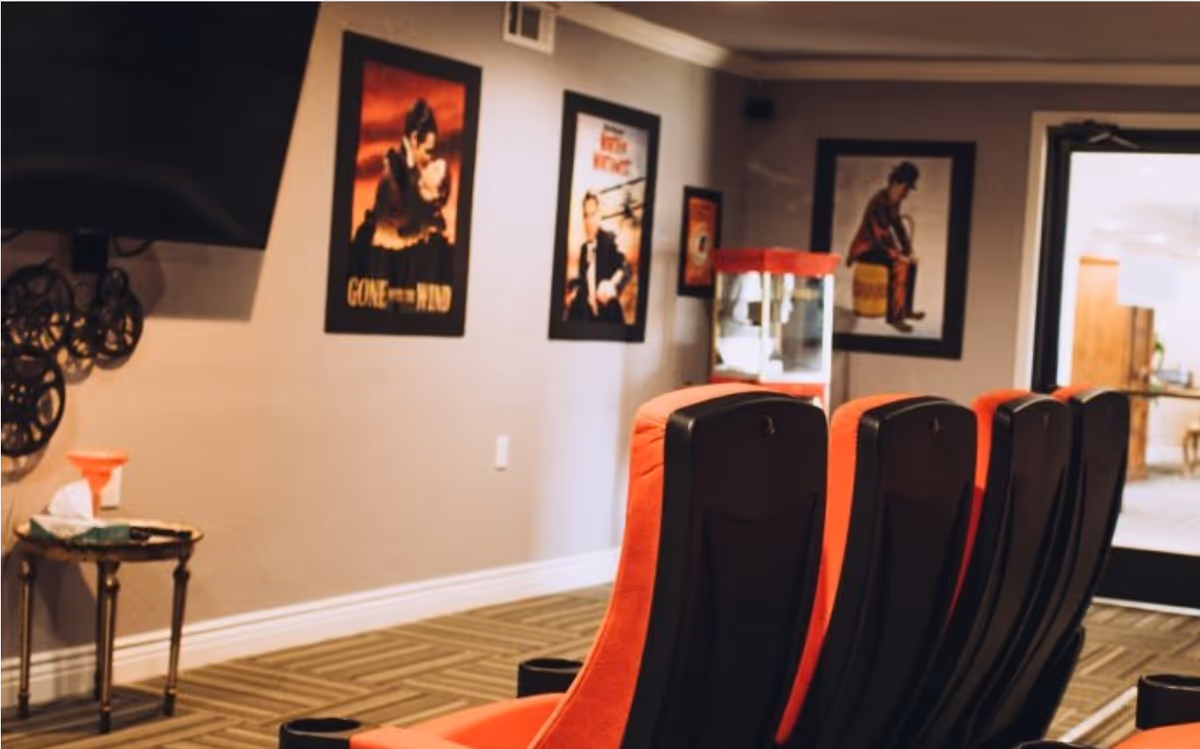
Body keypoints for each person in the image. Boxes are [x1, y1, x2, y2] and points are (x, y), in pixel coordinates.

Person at [352, 98, 455, 287]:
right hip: (380, 265)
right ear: (414, 139)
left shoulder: (413, 174)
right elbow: (400, 229)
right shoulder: (395, 172)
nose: (430, 160)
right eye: (428, 152)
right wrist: (428, 222)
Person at [846, 161, 925, 332]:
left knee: (911, 263)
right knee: (900, 265)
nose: (906, 194)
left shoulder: (892, 201)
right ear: (895, 183)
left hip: (878, 247)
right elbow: (879, 239)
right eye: (905, 188)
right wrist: (898, 256)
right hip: (866, 249)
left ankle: (906, 310)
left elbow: (898, 227)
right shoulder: (879, 203)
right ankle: (895, 317)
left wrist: (909, 252)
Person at [566, 191, 632, 323]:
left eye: (592, 215)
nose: (588, 221)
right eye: (585, 216)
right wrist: (573, 288)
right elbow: (584, 279)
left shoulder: (610, 239)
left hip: (609, 321)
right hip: (589, 320)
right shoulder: (584, 249)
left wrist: (611, 286)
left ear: (599, 217)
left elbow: (626, 269)